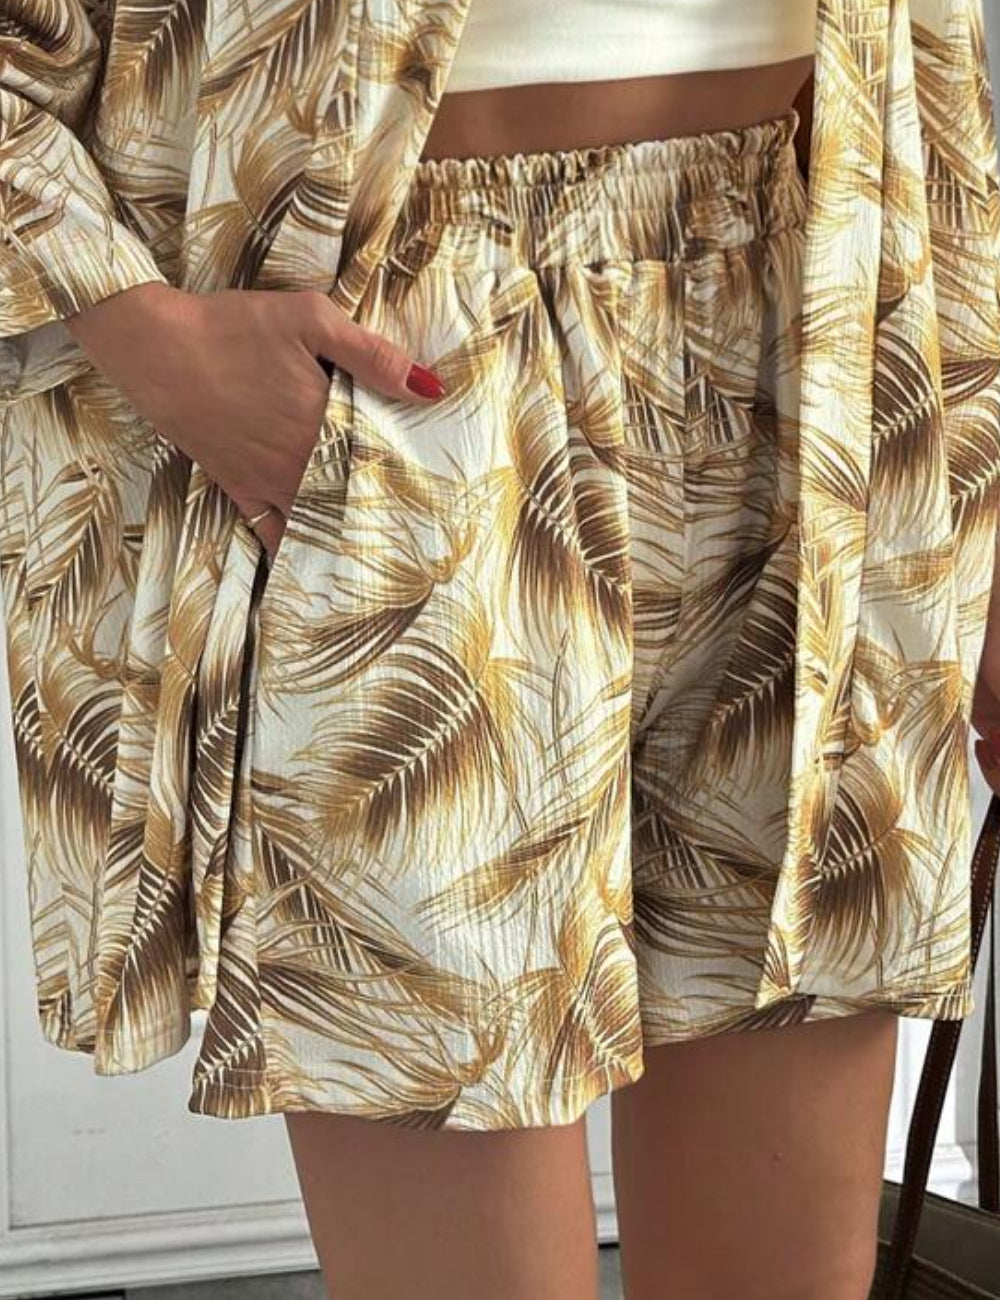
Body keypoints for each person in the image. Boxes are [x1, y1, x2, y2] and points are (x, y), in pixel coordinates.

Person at [1, 3, 999, 1300]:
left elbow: (936, 68)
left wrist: (980, 499)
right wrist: (144, 330)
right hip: (403, 358)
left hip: (820, 327)